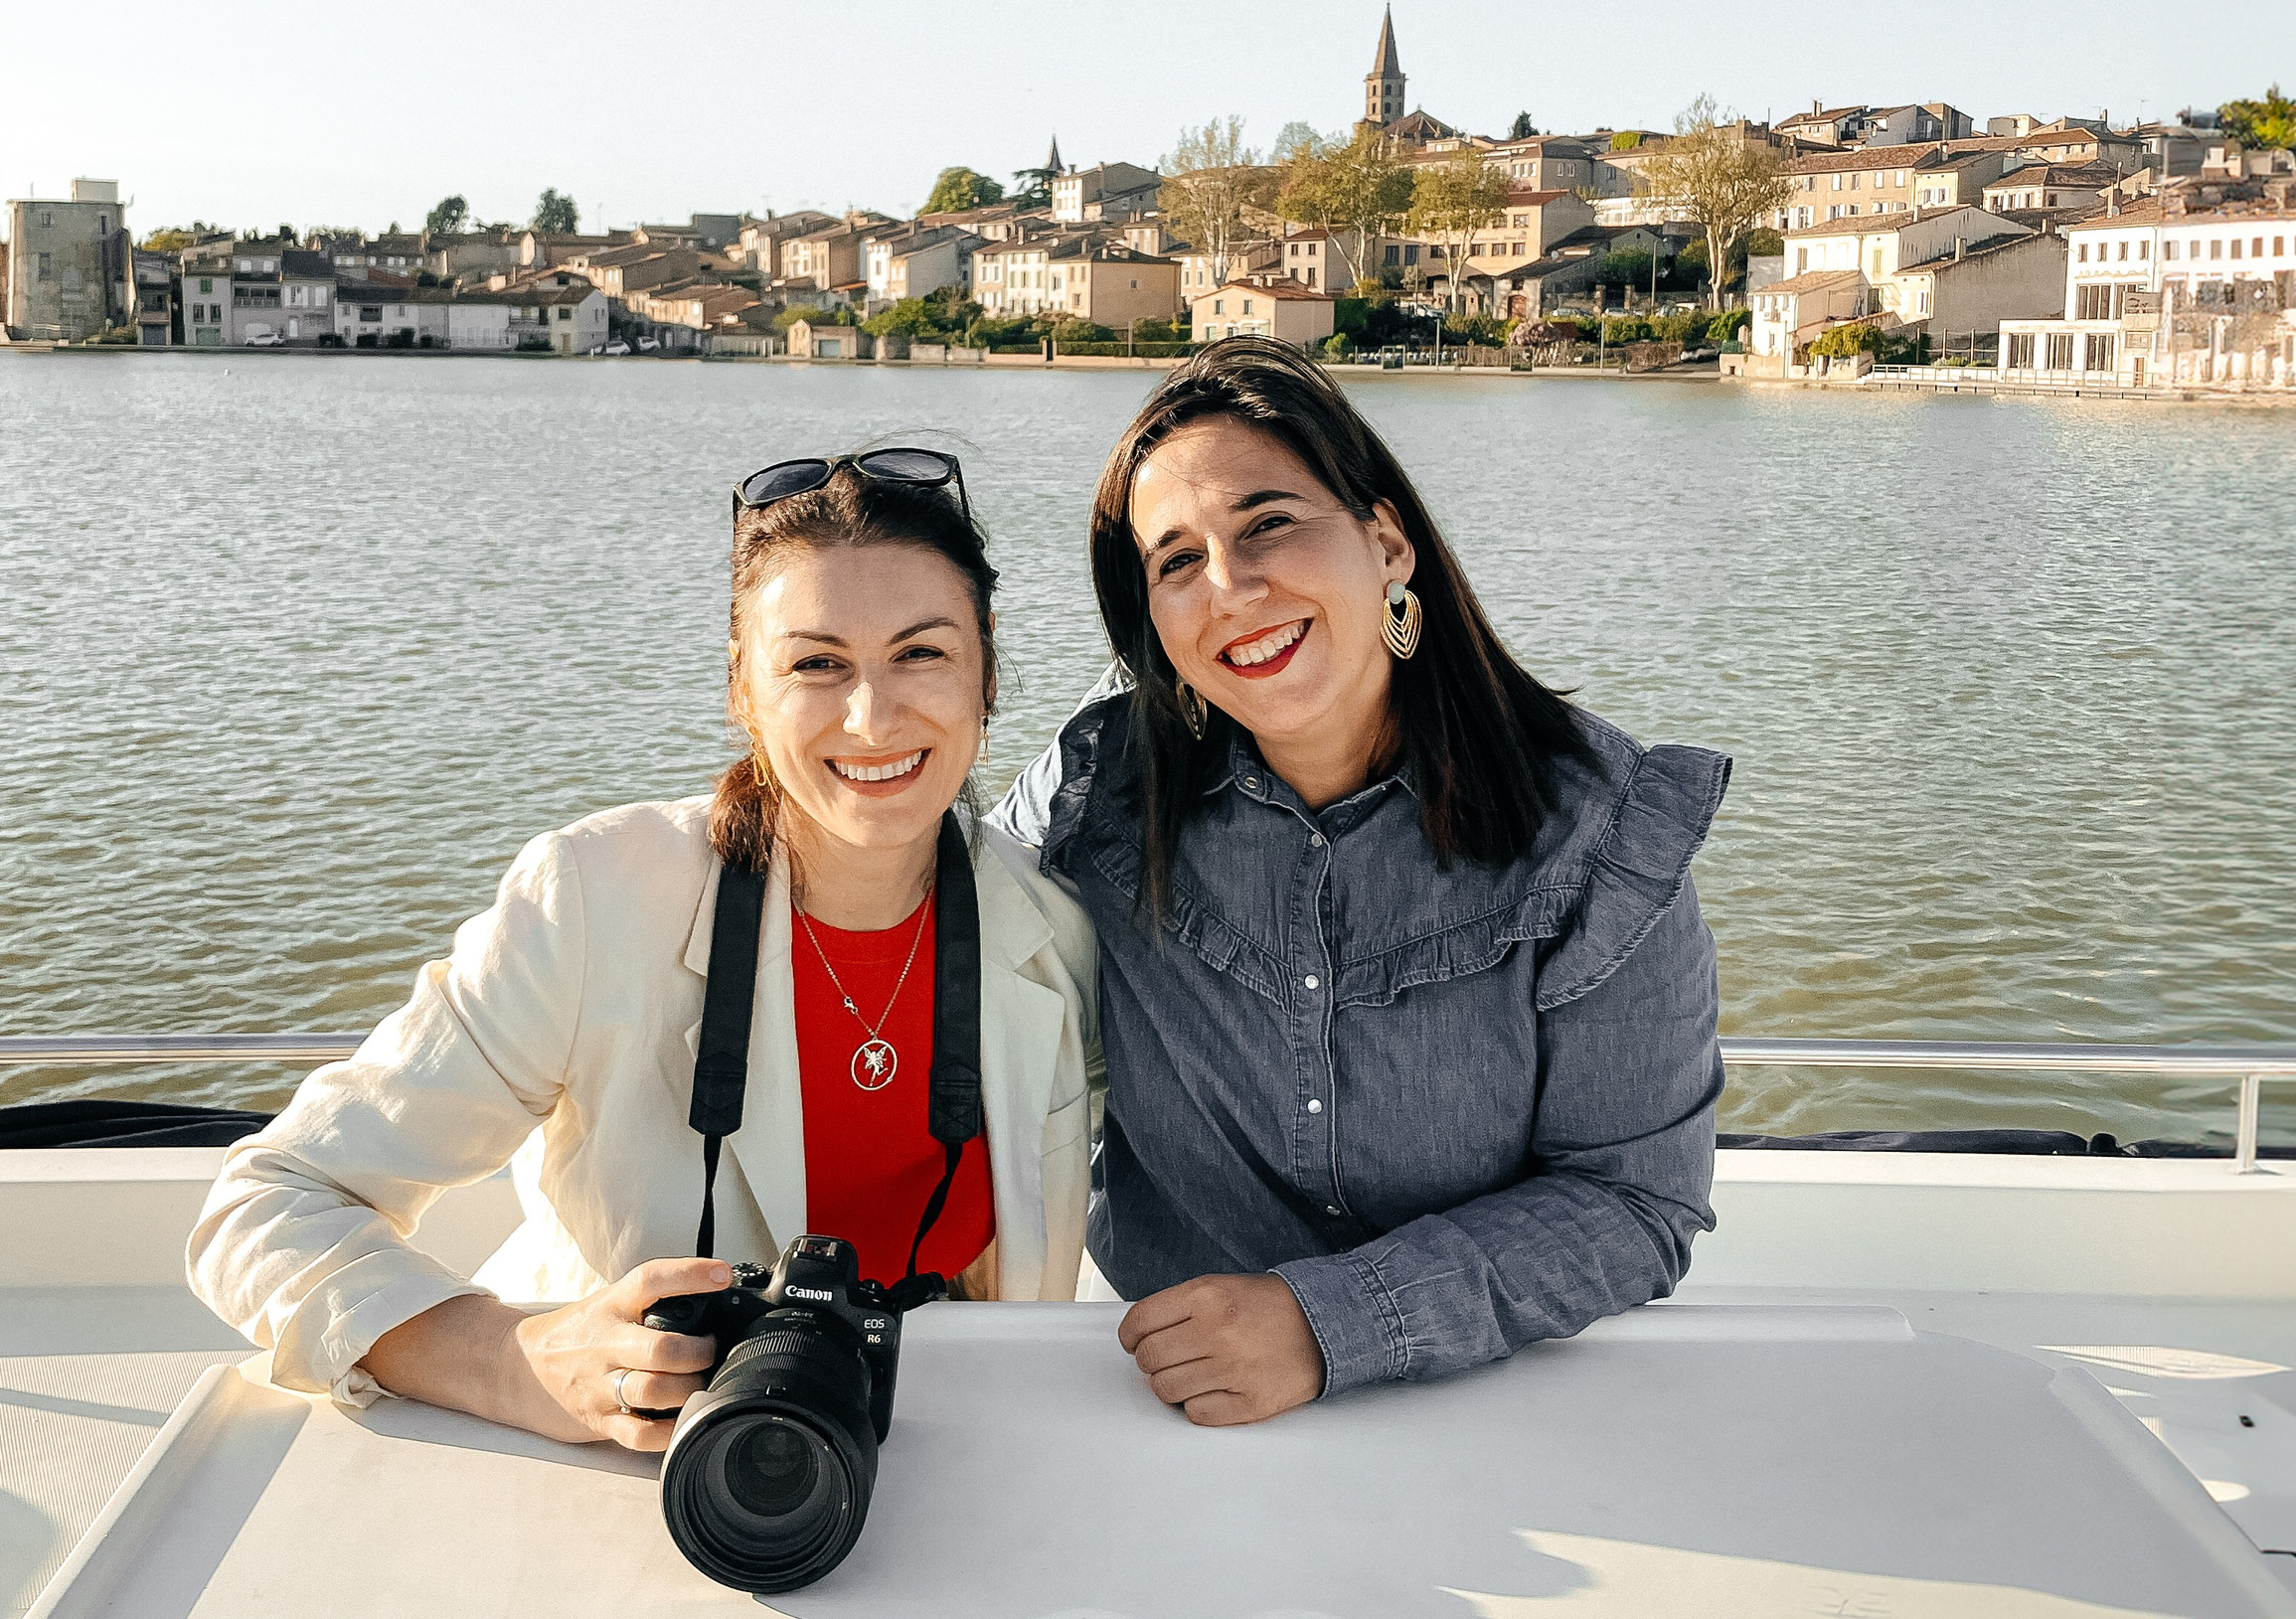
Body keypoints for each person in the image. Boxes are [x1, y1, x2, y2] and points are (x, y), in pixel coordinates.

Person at [190, 449, 1098, 1450]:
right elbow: (266, 1203)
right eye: (814, 663)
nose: (871, 715)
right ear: (741, 690)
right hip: (610, 1484)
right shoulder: (591, 900)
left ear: (988, 668)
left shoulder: (1052, 930)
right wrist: (511, 1362)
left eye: (921, 653)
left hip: (954, 1457)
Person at [994, 338, 1729, 1428]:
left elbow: (1633, 1204)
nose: (1232, 589)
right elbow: (906, 935)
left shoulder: (1596, 833)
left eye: (1268, 525)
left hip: (1500, 1404)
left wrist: (1329, 1321)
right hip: (1167, 1411)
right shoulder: (1101, 795)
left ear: (1386, 544)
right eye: (1177, 562)